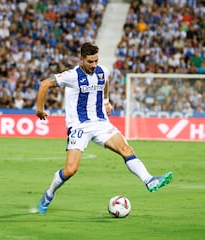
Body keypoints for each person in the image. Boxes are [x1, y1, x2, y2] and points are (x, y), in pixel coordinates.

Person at [35, 42, 173, 214]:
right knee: (71, 170)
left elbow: (105, 82)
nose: (94, 65)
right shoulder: (72, 76)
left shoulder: (102, 71)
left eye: (96, 61)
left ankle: (149, 180)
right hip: (79, 126)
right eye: (90, 62)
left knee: (126, 148)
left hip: (101, 123)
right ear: (81, 59)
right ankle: (49, 194)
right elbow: (44, 85)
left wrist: (106, 101)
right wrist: (40, 109)